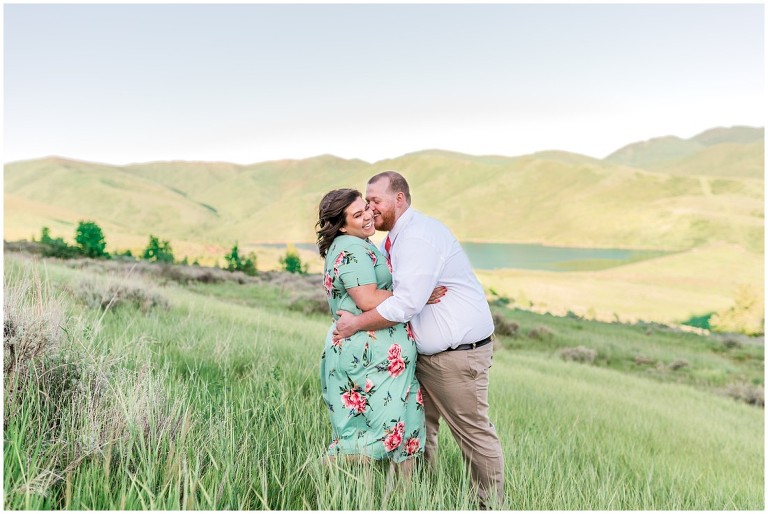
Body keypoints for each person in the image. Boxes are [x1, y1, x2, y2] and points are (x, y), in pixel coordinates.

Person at [333, 172, 504, 508]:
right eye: (366, 202)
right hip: (422, 356)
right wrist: (417, 296)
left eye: (376, 200)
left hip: (455, 357)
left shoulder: (418, 237)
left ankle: (489, 505)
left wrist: (355, 325)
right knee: (418, 430)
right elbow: (406, 294)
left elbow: (405, 303)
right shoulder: (394, 239)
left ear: (400, 198)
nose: (370, 208)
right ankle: (419, 498)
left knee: (473, 434)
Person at [316, 188, 446, 475]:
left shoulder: (362, 244)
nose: (368, 217)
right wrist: (418, 295)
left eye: (366, 208)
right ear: (341, 224)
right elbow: (367, 298)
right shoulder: (350, 248)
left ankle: (402, 501)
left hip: (391, 362)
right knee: (380, 436)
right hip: (369, 358)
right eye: (357, 214)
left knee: (408, 432)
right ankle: (315, 475)